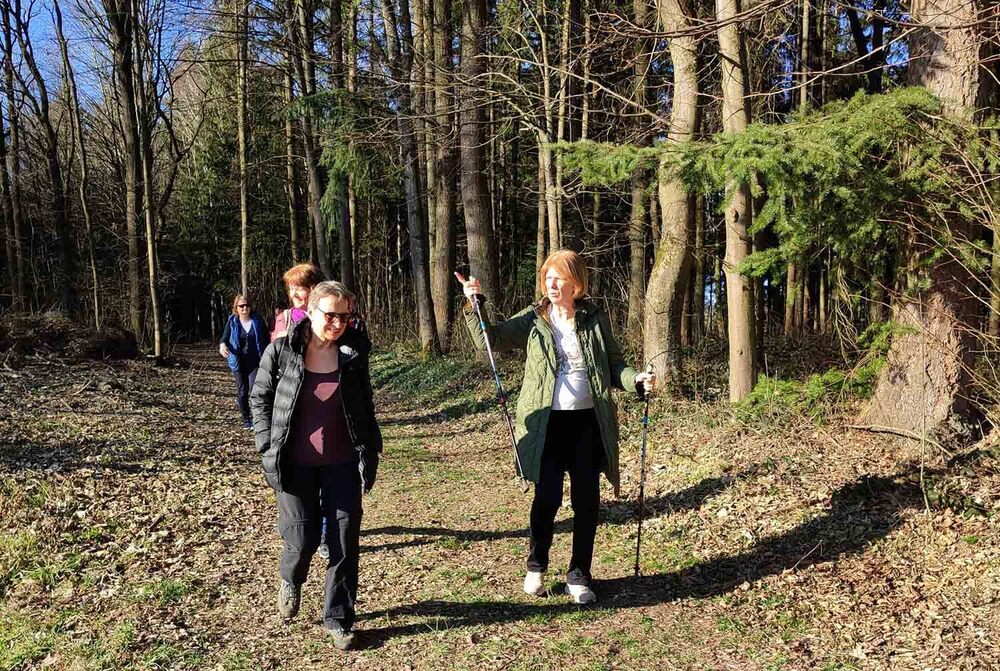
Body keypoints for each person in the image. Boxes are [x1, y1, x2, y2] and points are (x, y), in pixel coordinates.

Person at [457, 249, 655, 605]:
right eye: (547, 277)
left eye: (559, 278)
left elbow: (615, 366)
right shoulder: (534, 318)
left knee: (586, 502)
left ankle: (579, 575)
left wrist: (636, 380)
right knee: (546, 498)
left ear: (576, 283)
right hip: (547, 424)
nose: (551, 284)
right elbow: (492, 339)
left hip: (587, 423)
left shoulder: (594, 319)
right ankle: (536, 566)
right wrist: (475, 305)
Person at [250, 281, 382, 650]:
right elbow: (260, 397)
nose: (337, 323)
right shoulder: (282, 350)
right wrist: (266, 444)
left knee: (344, 541)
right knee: (303, 538)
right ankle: (291, 578)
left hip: (342, 462)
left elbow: (364, 402)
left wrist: (371, 445)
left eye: (344, 317)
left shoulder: (353, 354)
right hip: (295, 464)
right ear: (310, 312)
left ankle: (339, 618)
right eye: (330, 315)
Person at [219, 295, 269, 429]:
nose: (245, 308)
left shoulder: (258, 320)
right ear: (236, 308)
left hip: (255, 361)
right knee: (242, 391)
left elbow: (266, 338)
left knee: (254, 390)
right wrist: (223, 345)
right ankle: (246, 419)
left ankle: (257, 418)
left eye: (247, 305)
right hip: (238, 361)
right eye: (241, 306)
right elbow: (224, 338)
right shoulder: (232, 321)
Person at [271, 262, 323, 340]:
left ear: (314, 289)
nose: (294, 294)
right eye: (291, 289)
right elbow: (275, 346)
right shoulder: (285, 318)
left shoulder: (327, 317)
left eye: (300, 289)